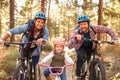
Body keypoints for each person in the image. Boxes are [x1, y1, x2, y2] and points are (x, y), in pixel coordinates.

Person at [68, 15, 118, 80]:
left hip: (91, 46)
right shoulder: (76, 32)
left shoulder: (93, 28)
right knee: (81, 56)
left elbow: (107, 29)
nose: (82, 26)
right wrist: (75, 38)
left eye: (84, 24)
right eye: (81, 24)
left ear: (88, 24)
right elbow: (69, 46)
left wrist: (115, 38)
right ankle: (78, 75)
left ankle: (93, 76)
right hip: (80, 47)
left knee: (93, 61)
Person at [0, 11, 49, 78]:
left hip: (35, 49)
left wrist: (42, 40)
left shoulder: (44, 29)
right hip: (25, 46)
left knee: (35, 66)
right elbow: (12, 31)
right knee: (22, 66)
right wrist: (2, 39)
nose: (40, 24)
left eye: (42, 22)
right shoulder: (27, 27)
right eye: (38, 21)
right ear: (35, 21)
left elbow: (46, 40)